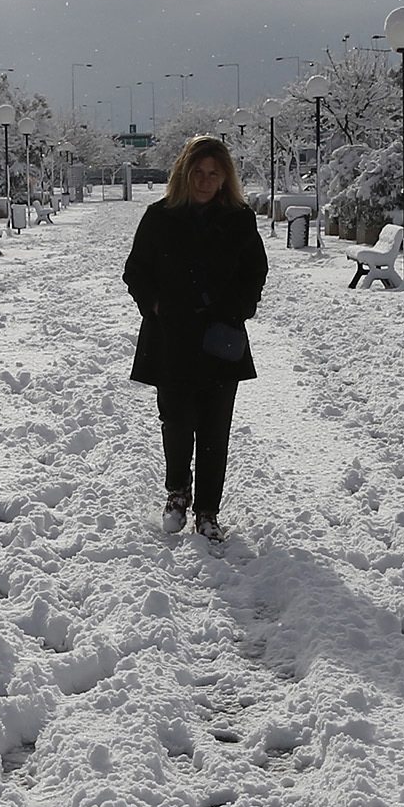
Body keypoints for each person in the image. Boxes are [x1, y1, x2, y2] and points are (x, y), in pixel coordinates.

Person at [123, 135, 268, 542]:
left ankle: (208, 511)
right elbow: (136, 272)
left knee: (215, 428)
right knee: (176, 422)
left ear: (225, 178)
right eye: (199, 172)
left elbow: (255, 271)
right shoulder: (159, 217)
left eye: (214, 174)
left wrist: (239, 308)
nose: (205, 181)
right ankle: (177, 493)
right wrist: (155, 307)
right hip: (171, 339)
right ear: (184, 174)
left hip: (220, 339)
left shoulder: (239, 219)